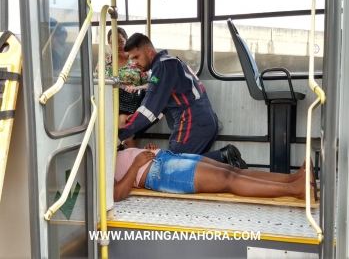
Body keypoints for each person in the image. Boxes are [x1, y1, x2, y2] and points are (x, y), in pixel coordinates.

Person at [117, 33, 248, 169]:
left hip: (192, 123)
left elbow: (150, 107)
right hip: (204, 121)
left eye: (136, 57)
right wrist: (136, 130)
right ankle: (225, 158)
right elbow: (159, 109)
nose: (134, 63)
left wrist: (121, 135)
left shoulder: (163, 67)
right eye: (132, 59)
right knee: (188, 165)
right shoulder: (169, 62)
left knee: (172, 165)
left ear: (148, 51)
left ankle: (224, 157)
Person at [113, 143, 315, 202]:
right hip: (159, 172)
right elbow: (117, 193)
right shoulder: (92, 167)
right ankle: (296, 190)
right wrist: (136, 164)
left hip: (164, 157)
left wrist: (141, 150)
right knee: (228, 180)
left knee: (231, 170)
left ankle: (293, 179)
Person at [94, 27, 151, 148]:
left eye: (120, 41)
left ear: (126, 40)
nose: (117, 46)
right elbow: (95, 82)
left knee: (124, 121)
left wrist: (138, 87)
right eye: (112, 42)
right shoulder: (104, 63)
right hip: (109, 103)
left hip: (132, 101)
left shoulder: (135, 59)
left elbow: (151, 82)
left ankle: (127, 151)